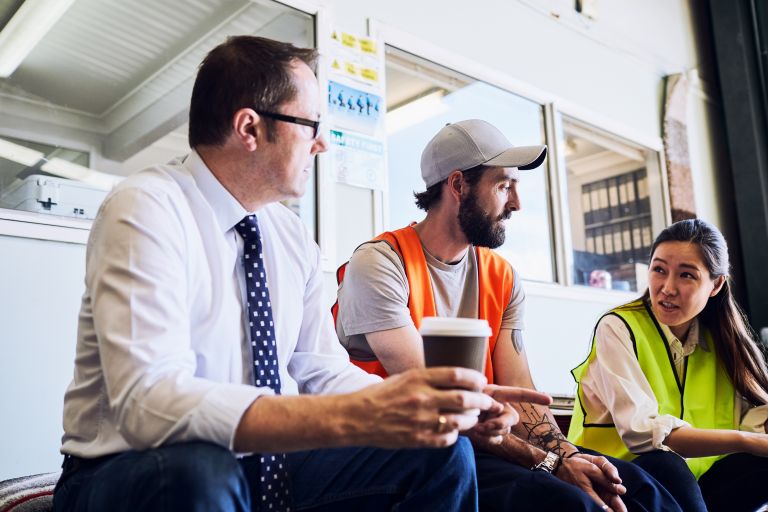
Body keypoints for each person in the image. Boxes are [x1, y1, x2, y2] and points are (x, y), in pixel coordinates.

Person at [52, 37, 550, 512]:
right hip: (128, 468)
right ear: (250, 128)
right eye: (310, 125)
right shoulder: (147, 207)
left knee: (438, 451)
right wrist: (359, 416)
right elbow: (148, 403)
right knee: (201, 471)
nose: (322, 146)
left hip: (265, 463)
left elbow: (321, 370)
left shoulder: (291, 239)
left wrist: (431, 408)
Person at [333, 119, 680, 512]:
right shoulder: (379, 263)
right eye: (503, 186)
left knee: (644, 491)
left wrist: (567, 455)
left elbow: (523, 397)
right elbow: (440, 403)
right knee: (568, 503)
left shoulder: (501, 275)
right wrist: (549, 464)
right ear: (458, 185)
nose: (516, 203)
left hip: (485, 439)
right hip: (410, 449)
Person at [568, 219, 768, 512]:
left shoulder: (727, 343)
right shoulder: (618, 327)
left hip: (698, 489)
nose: (667, 288)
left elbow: (756, 420)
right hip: (620, 481)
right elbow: (642, 435)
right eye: (659, 270)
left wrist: (755, 437)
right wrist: (746, 440)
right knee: (666, 463)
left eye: (686, 275)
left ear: (716, 284)